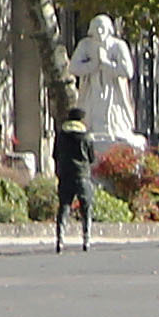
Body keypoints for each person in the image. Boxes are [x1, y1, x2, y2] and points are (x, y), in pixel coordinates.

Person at [50, 107, 97, 252]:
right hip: (82, 174)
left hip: (65, 174)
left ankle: (60, 239)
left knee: (64, 206)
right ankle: (86, 239)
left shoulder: (61, 135)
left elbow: (54, 154)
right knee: (86, 207)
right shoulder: (86, 135)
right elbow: (91, 157)